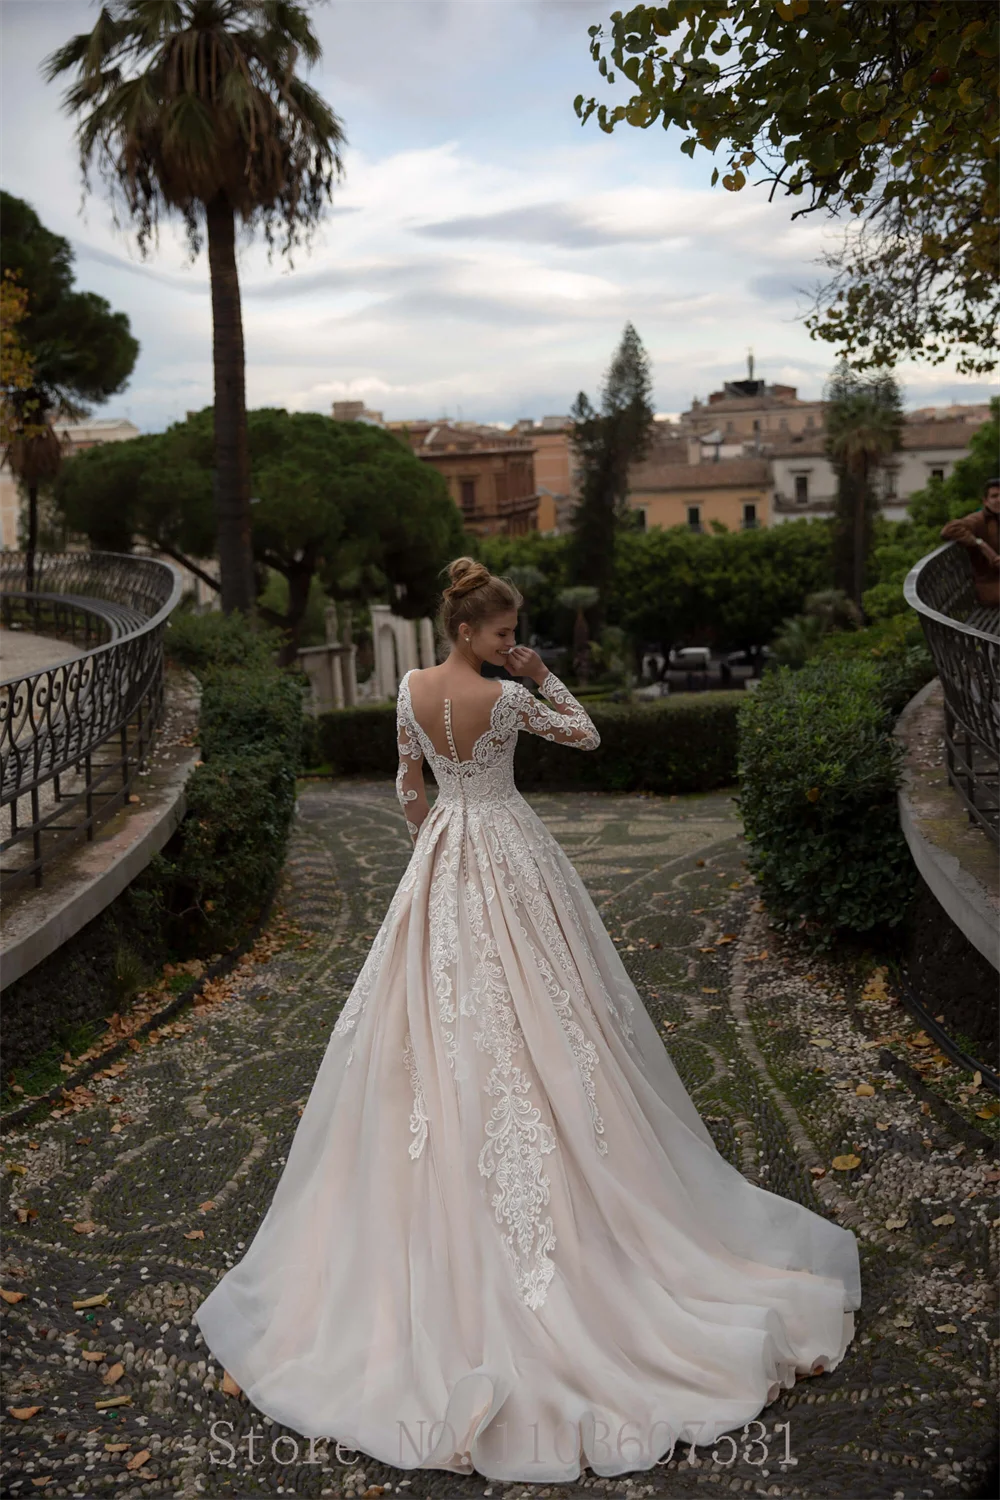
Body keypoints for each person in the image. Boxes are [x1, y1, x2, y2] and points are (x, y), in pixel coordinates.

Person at [193, 557, 861, 1484]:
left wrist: (428, 851)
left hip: (444, 859)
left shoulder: (409, 690)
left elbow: (407, 787)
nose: (514, 645)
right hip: (507, 849)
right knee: (550, 1012)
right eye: (504, 634)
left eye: (518, 637)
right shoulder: (507, 700)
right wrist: (541, 676)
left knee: (434, 1023)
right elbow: (585, 736)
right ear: (468, 630)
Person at [940, 476, 1000, 607]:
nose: (999, 500)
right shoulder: (978, 519)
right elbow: (949, 529)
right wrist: (980, 543)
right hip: (990, 585)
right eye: (994, 496)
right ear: (985, 501)